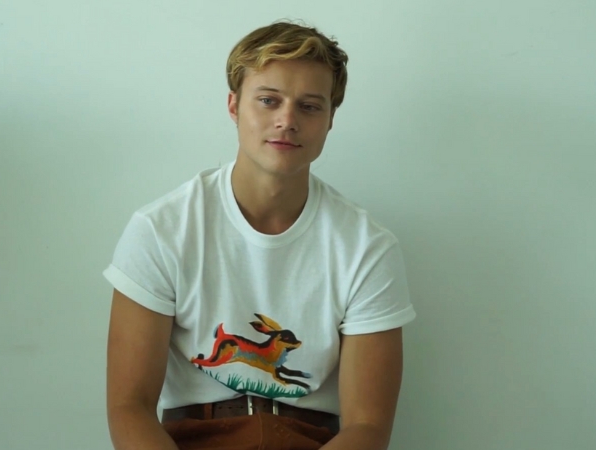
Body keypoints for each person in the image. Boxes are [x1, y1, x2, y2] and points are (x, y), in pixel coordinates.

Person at [102, 19, 416, 450]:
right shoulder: (161, 230)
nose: (287, 121)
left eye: (310, 106)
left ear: (330, 120)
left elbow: (367, 426)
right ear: (234, 106)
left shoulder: (368, 247)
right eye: (268, 100)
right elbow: (129, 406)